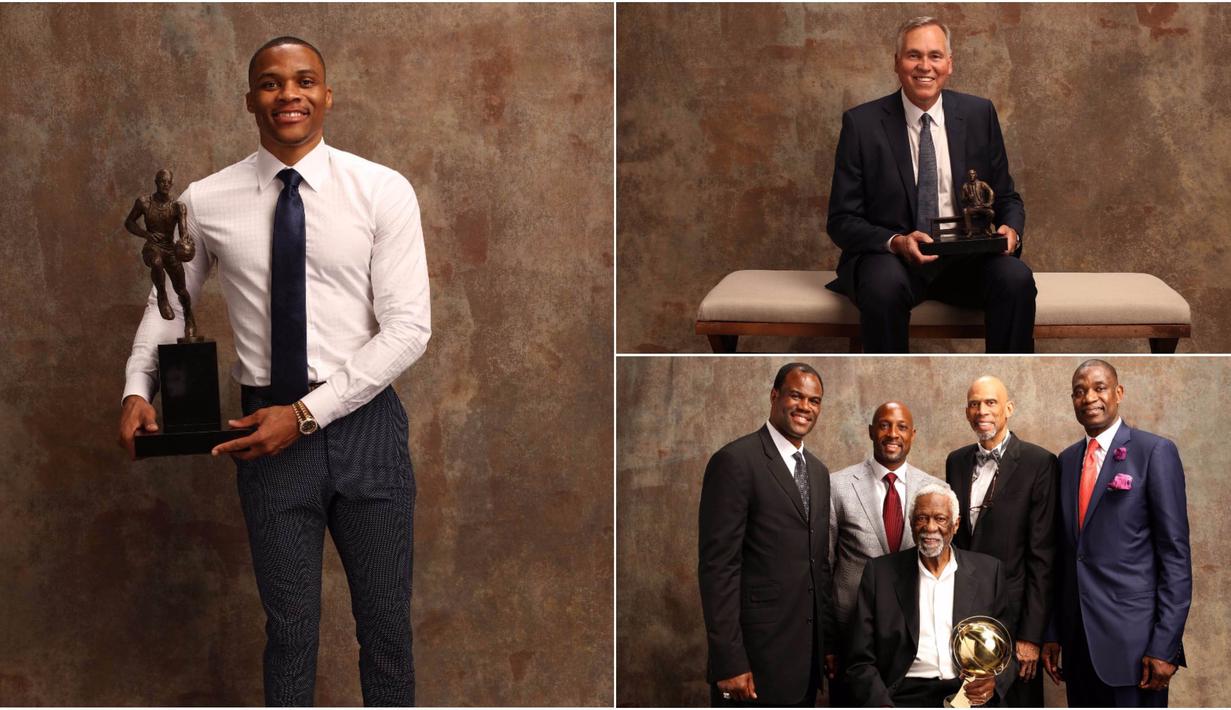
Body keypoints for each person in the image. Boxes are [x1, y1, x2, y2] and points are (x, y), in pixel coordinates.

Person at [117, 36, 430, 706]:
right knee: (288, 631)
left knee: (386, 632)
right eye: (271, 82)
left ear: (326, 94)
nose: (288, 94)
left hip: (367, 431)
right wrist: (136, 389)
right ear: (250, 99)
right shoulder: (208, 199)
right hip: (262, 433)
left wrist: (308, 414)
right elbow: (170, 303)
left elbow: (408, 329)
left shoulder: (381, 191)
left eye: (304, 80)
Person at [826, 16, 1034, 353]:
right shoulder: (861, 125)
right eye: (913, 55)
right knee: (882, 288)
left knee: (1016, 279)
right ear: (897, 63)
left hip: (966, 258)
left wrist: (1012, 229)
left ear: (949, 64)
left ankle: (1004, 377)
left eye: (935, 56)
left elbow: (1007, 196)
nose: (925, 66)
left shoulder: (980, 114)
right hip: (893, 260)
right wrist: (896, 242)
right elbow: (841, 220)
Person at [1042, 360, 1191, 707]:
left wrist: (1165, 646)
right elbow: (1065, 556)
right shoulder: (1065, 461)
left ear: (1118, 393)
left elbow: (1175, 557)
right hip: (1079, 647)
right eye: (1079, 392)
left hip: (1136, 649)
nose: (1089, 398)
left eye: (1099, 388)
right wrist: (1052, 633)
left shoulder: (1154, 452)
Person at [698, 363, 837, 706]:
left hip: (804, 662)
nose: (805, 407)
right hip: (752, 662)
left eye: (814, 401)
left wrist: (827, 644)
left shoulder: (818, 472)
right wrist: (728, 661)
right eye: (796, 395)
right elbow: (719, 568)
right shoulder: (735, 461)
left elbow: (818, 566)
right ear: (775, 396)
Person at [845, 484, 1015, 707]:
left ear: (956, 524)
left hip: (965, 695)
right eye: (921, 518)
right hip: (903, 694)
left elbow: (1007, 651)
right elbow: (860, 660)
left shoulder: (989, 572)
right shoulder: (880, 574)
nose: (930, 527)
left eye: (940, 519)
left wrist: (994, 681)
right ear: (911, 524)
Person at [945, 376, 1056, 707]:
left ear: (1009, 408)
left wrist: (1031, 637)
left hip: (1014, 621)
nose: (982, 411)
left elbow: (1043, 556)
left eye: (991, 403)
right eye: (975, 404)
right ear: (967, 412)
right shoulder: (956, 461)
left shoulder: (1039, 462)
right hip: (963, 619)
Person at [828, 401, 945, 704]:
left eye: (901, 427)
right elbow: (823, 567)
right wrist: (827, 641)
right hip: (849, 636)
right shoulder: (838, 485)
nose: (892, 434)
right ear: (871, 431)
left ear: (913, 434)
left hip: (911, 640)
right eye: (884, 425)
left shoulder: (935, 490)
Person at [124, 169, 198, 339]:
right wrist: (145, 234)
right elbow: (128, 222)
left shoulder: (177, 207)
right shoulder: (144, 203)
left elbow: (183, 230)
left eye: (168, 182)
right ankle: (162, 297)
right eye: (162, 181)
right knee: (156, 262)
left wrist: (186, 241)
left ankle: (188, 315)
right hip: (152, 247)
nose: (165, 184)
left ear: (171, 184)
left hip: (169, 248)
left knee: (182, 290)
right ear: (156, 182)